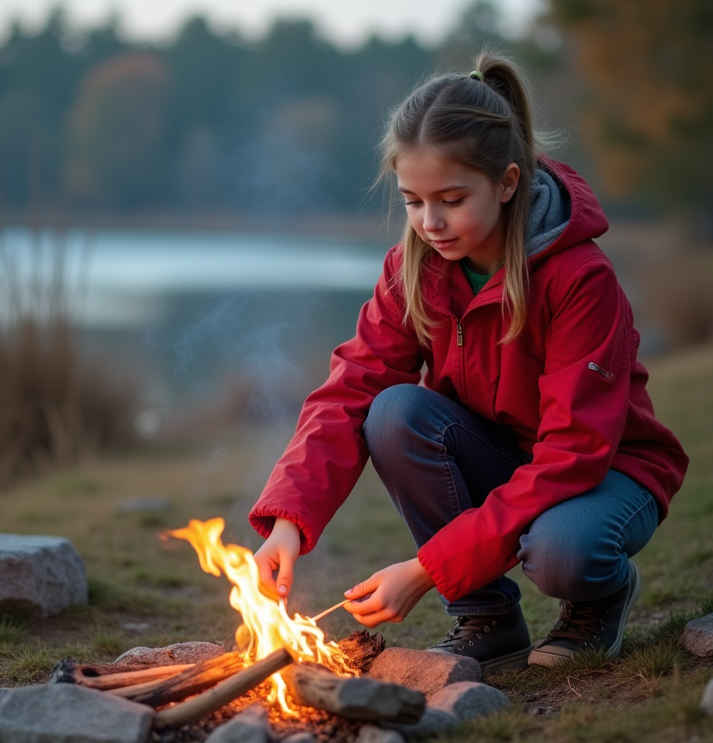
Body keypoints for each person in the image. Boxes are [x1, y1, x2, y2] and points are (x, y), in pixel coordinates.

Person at [248, 52, 688, 672]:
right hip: (507, 454)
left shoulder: (579, 279)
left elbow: (570, 456)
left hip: (605, 469)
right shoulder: (412, 273)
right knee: (393, 412)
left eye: (451, 199)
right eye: (412, 201)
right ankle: (488, 619)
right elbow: (349, 393)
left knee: (562, 550)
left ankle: (601, 595)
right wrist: (288, 523)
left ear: (507, 183)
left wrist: (428, 569)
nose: (430, 222)